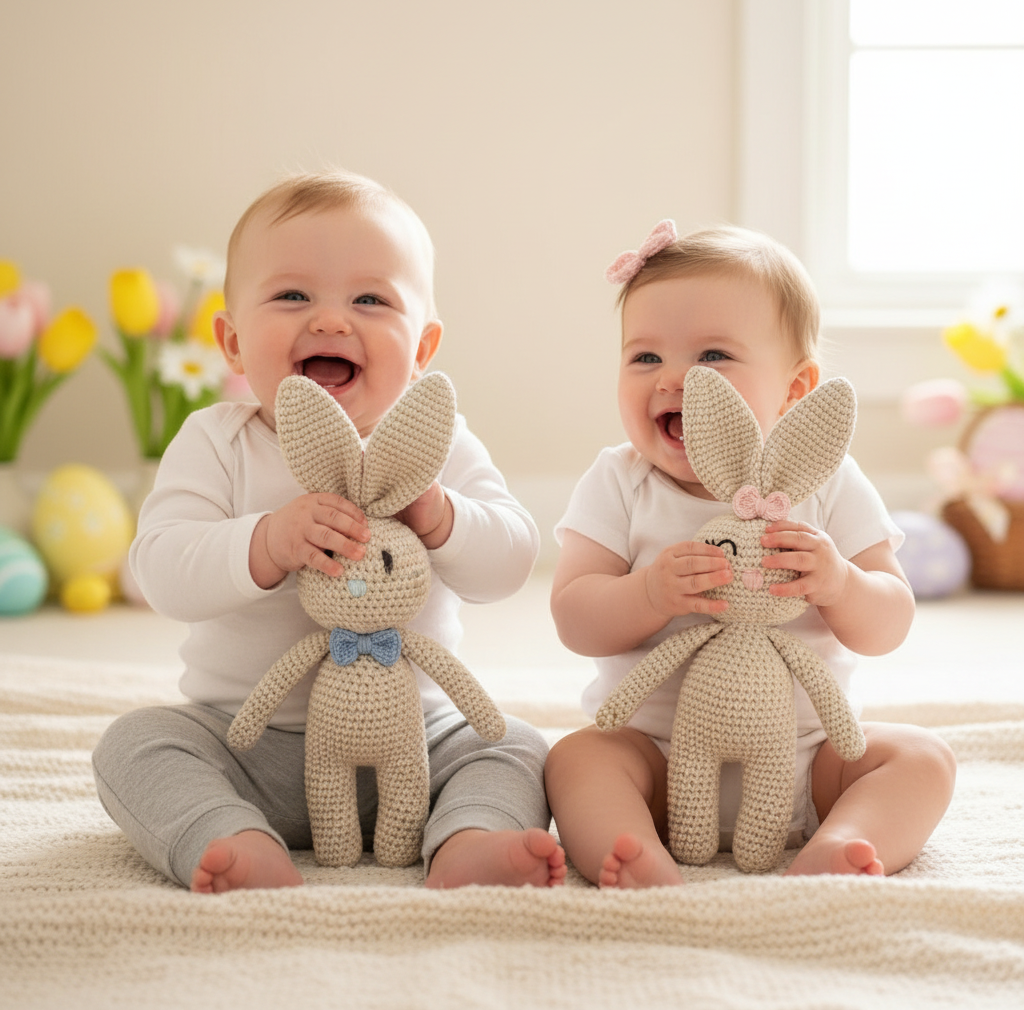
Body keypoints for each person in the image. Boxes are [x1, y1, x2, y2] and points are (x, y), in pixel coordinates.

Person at [93, 169, 565, 893]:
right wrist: (265, 542)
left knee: (517, 745)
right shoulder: (217, 441)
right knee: (135, 744)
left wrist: (443, 517)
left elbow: (510, 561)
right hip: (247, 745)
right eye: (292, 295)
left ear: (423, 350)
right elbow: (160, 568)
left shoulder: (437, 443)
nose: (331, 322)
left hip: (416, 742)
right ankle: (231, 835)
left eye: (370, 300)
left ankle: (468, 838)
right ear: (232, 341)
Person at [544, 221, 956, 888]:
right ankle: (634, 850)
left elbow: (890, 621)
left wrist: (840, 583)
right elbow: (574, 617)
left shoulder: (828, 480)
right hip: (655, 762)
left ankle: (842, 843)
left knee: (923, 757)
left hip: (810, 760)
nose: (672, 378)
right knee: (575, 758)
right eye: (644, 357)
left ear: (796, 389)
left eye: (712, 356)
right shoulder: (619, 481)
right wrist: (646, 594)